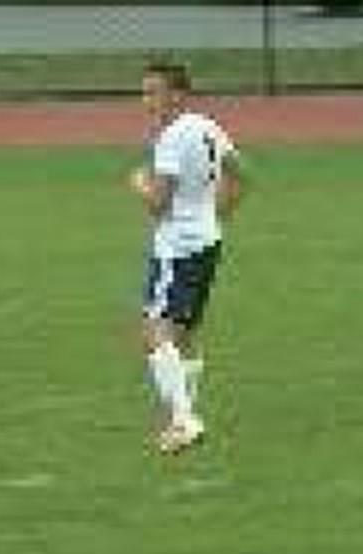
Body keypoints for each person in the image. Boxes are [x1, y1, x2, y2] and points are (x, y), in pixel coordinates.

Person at [128, 59, 244, 455]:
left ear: (178, 94)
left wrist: (140, 183)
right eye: (143, 92)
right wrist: (216, 216)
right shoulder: (206, 125)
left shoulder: (172, 138)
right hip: (207, 242)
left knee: (153, 330)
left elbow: (158, 204)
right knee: (186, 333)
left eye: (153, 92)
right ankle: (185, 415)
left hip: (176, 248)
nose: (146, 100)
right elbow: (239, 173)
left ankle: (183, 420)